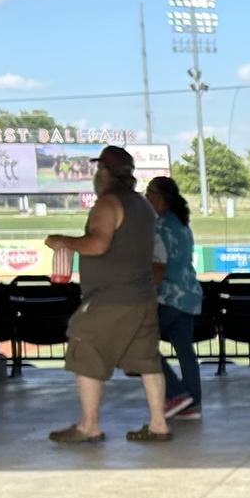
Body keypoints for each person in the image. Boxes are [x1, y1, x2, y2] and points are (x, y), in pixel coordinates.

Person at [44, 146, 170, 445]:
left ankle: (88, 426)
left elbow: (98, 244)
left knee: (85, 346)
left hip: (110, 298)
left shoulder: (108, 203)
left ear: (104, 171)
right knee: (148, 361)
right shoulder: (143, 205)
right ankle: (159, 425)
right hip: (142, 297)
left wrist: (64, 241)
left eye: (98, 169)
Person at [147, 176, 203, 420]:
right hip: (189, 295)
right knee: (184, 351)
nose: (146, 197)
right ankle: (192, 403)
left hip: (168, 296)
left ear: (160, 196)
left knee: (142, 343)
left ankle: (177, 393)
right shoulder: (182, 224)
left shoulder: (159, 225)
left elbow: (158, 265)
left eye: (149, 192)